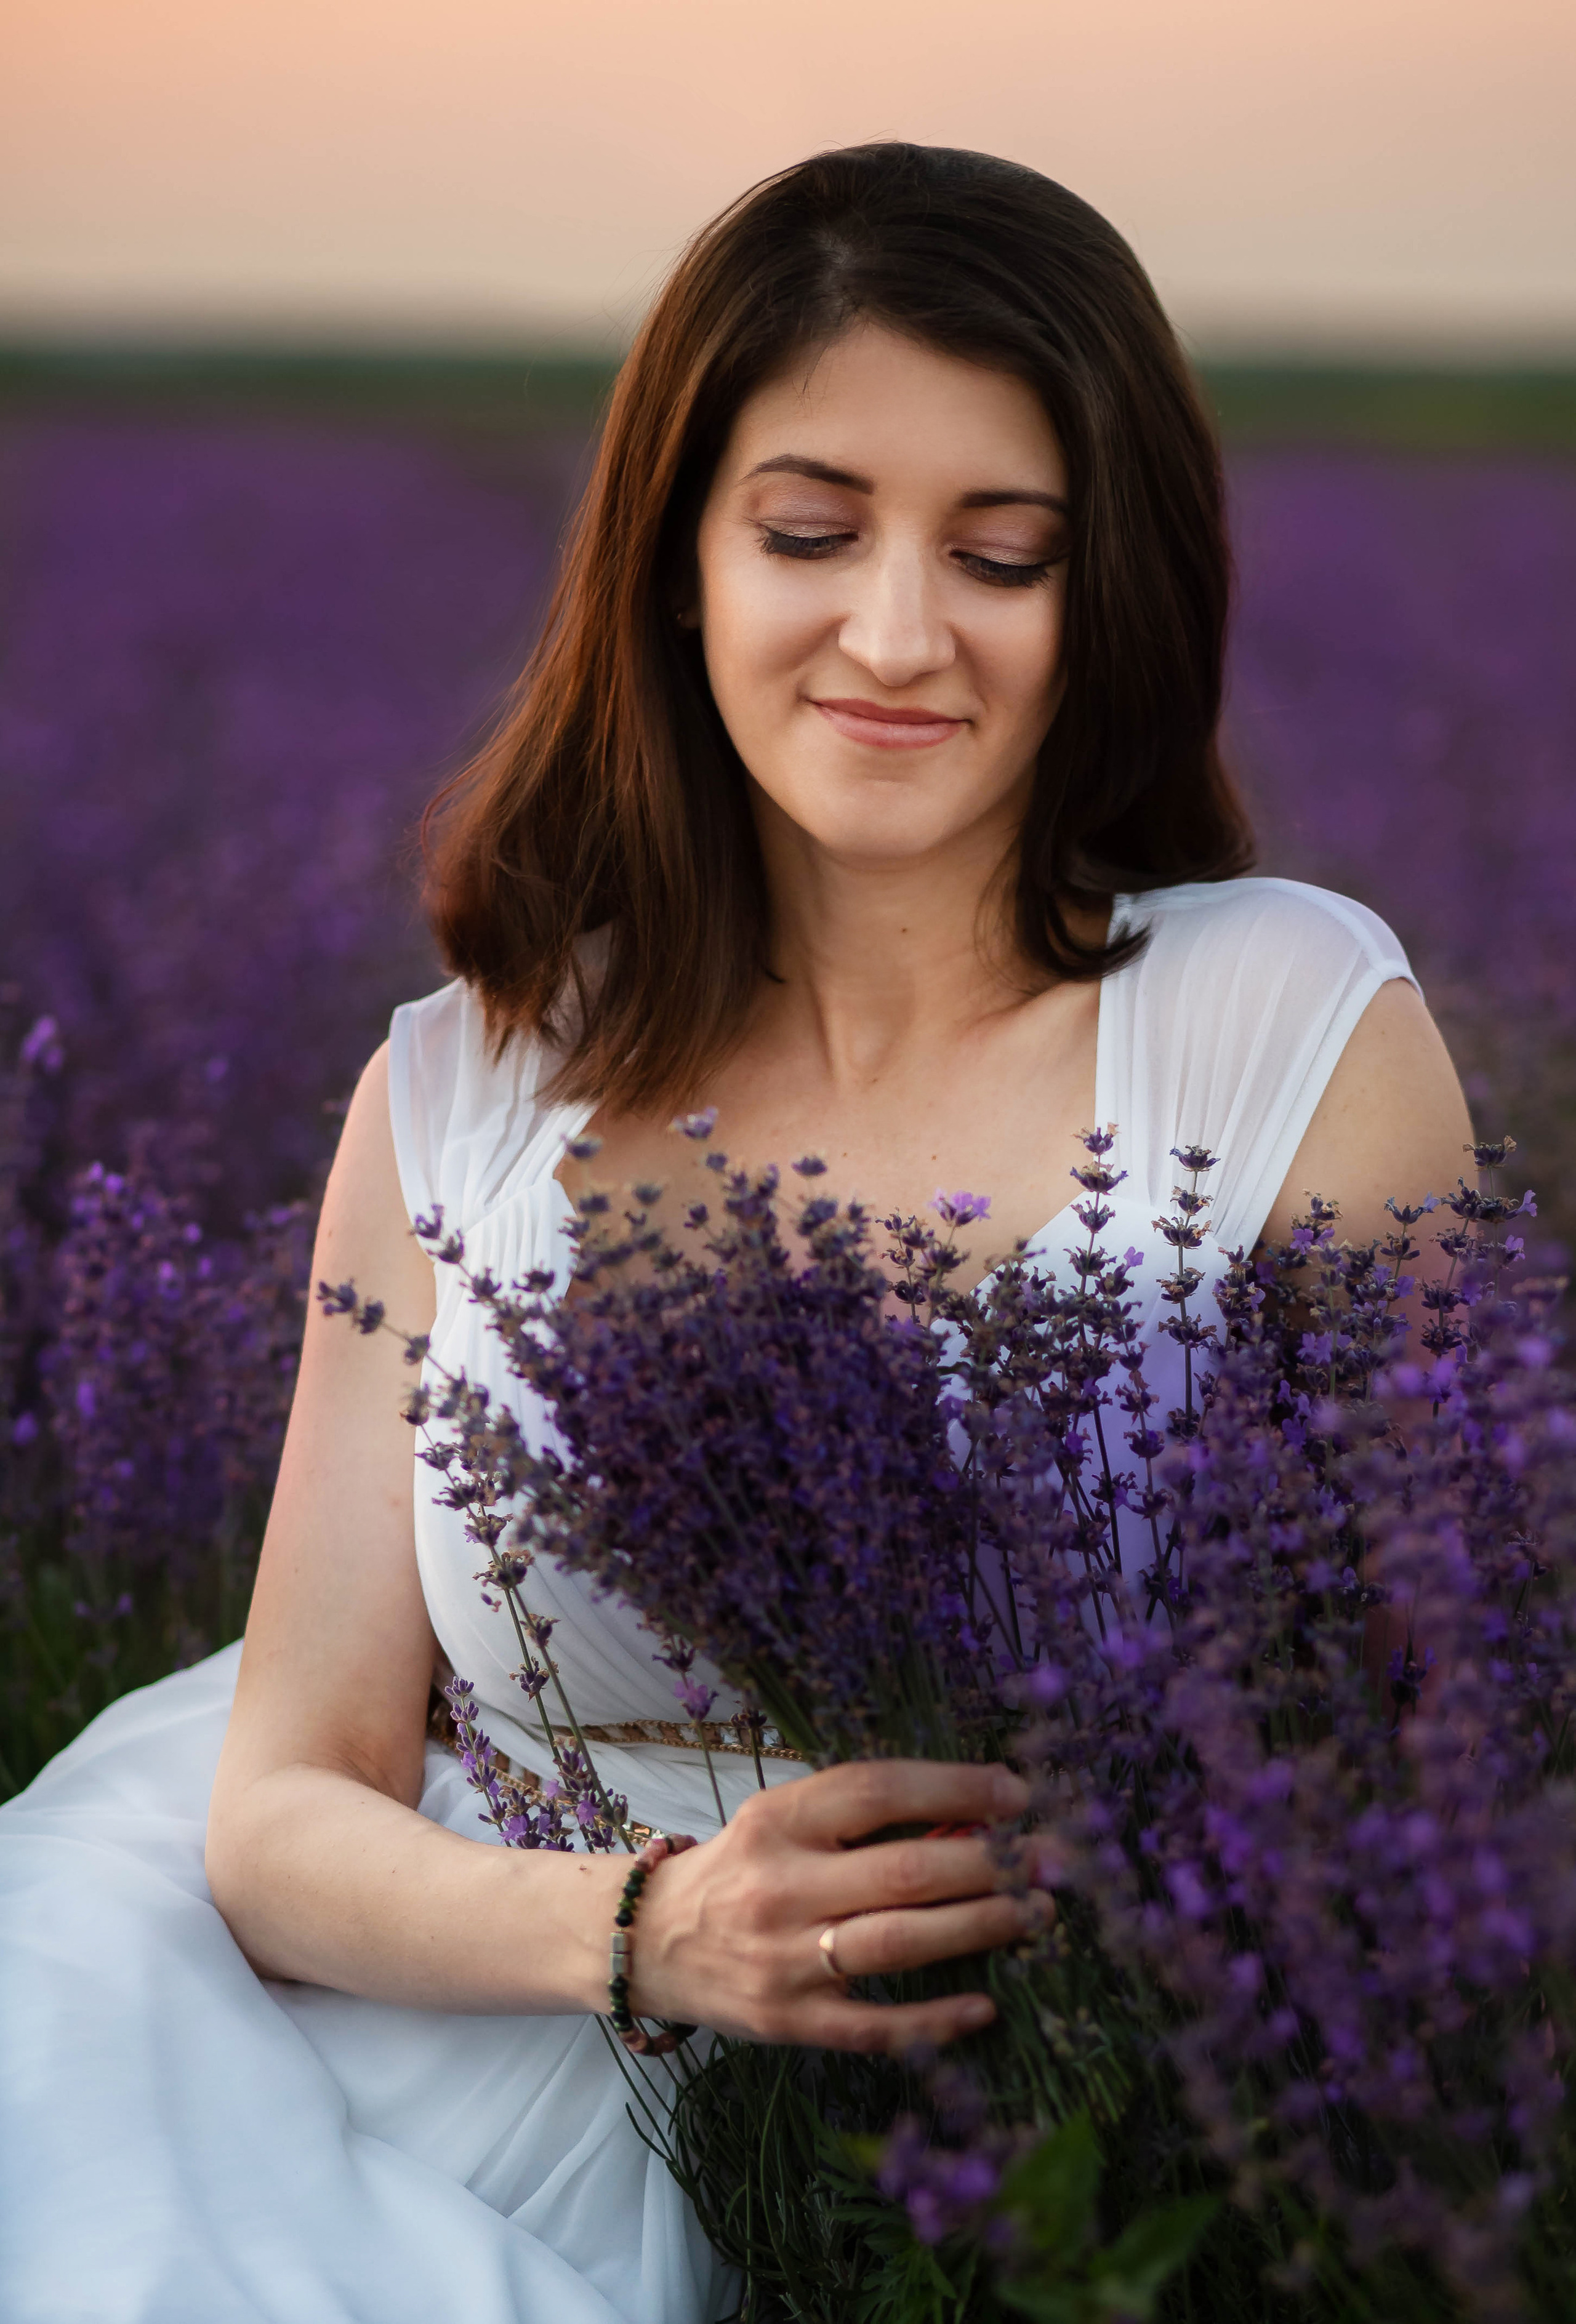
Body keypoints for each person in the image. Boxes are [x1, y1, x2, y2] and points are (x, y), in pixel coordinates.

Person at [0, 143, 1470, 2324]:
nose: (897, 633)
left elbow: (1455, 1725)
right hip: (455, 2042)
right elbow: (284, 1806)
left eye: (1003, 554)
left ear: (1112, 599)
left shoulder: (1285, 1021)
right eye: (808, 532)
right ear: (680, 562)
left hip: (1083, 2111)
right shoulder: (462, 1089)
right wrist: (655, 1932)